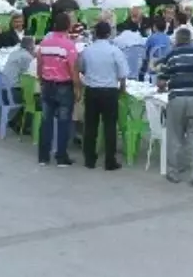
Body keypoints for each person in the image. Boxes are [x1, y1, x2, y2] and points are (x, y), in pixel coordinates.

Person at [158, 28, 193, 187]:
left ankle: (173, 173)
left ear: (176, 40)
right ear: (190, 40)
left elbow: (161, 82)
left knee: (175, 136)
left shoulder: (171, 56)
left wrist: (161, 86)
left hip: (176, 100)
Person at [76, 21, 128, 171]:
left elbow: (82, 69)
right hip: (109, 91)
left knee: (91, 126)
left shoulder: (87, 51)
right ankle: (110, 160)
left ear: (95, 34)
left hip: (92, 90)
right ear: (108, 34)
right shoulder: (115, 51)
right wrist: (122, 89)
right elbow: (122, 74)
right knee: (110, 126)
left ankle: (89, 159)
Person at [35, 12, 81, 167]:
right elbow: (73, 68)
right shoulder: (69, 45)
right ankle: (61, 157)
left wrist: (41, 80)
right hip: (63, 85)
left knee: (46, 121)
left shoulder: (45, 43)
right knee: (63, 122)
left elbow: (40, 64)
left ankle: (43, 156)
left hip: (47, 84)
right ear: (68, 26)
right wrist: (77, 88)